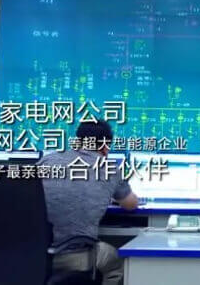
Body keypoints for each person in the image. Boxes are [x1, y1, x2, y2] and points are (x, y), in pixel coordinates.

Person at [41, 120, 139, 285]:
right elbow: (131, 204)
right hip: (76, 255)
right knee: (117, 264)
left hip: (35, 252)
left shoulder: (47, 161)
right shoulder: (109, 168)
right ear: (105, 147)